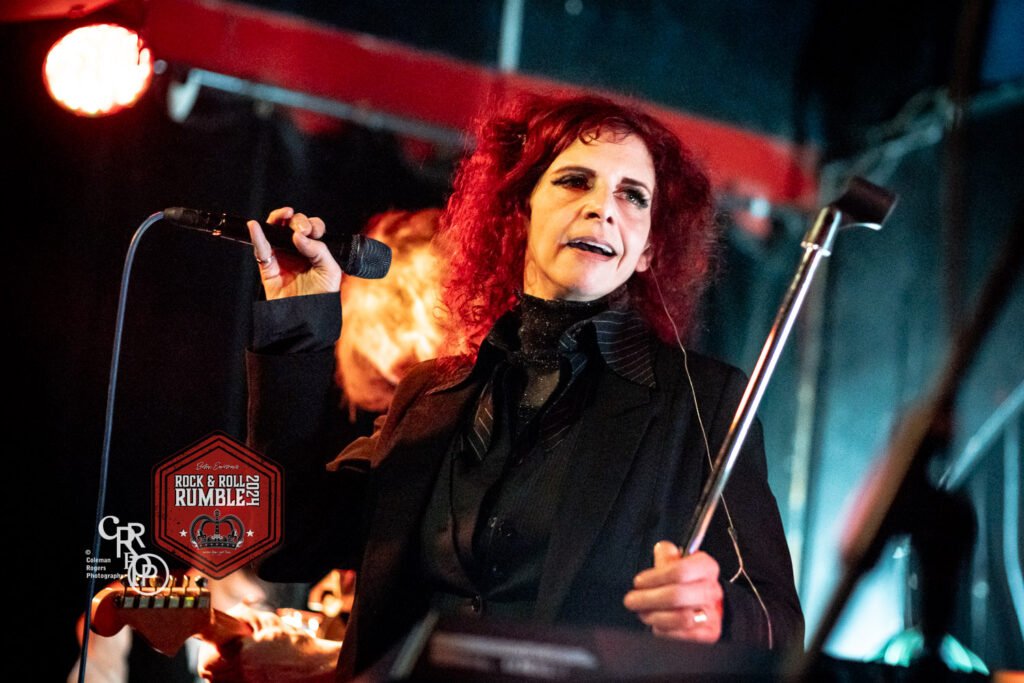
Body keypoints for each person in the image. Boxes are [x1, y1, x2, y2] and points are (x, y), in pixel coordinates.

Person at [210, 92, 803, 681]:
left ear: (649, 249)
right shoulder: (430, 394)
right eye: (575, 181)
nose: (603, 208)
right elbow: (286, 540)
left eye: (633, 195)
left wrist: (717, 615)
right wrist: (296, 326)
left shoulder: (702, 402)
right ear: (520, 212)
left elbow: (780, 623)